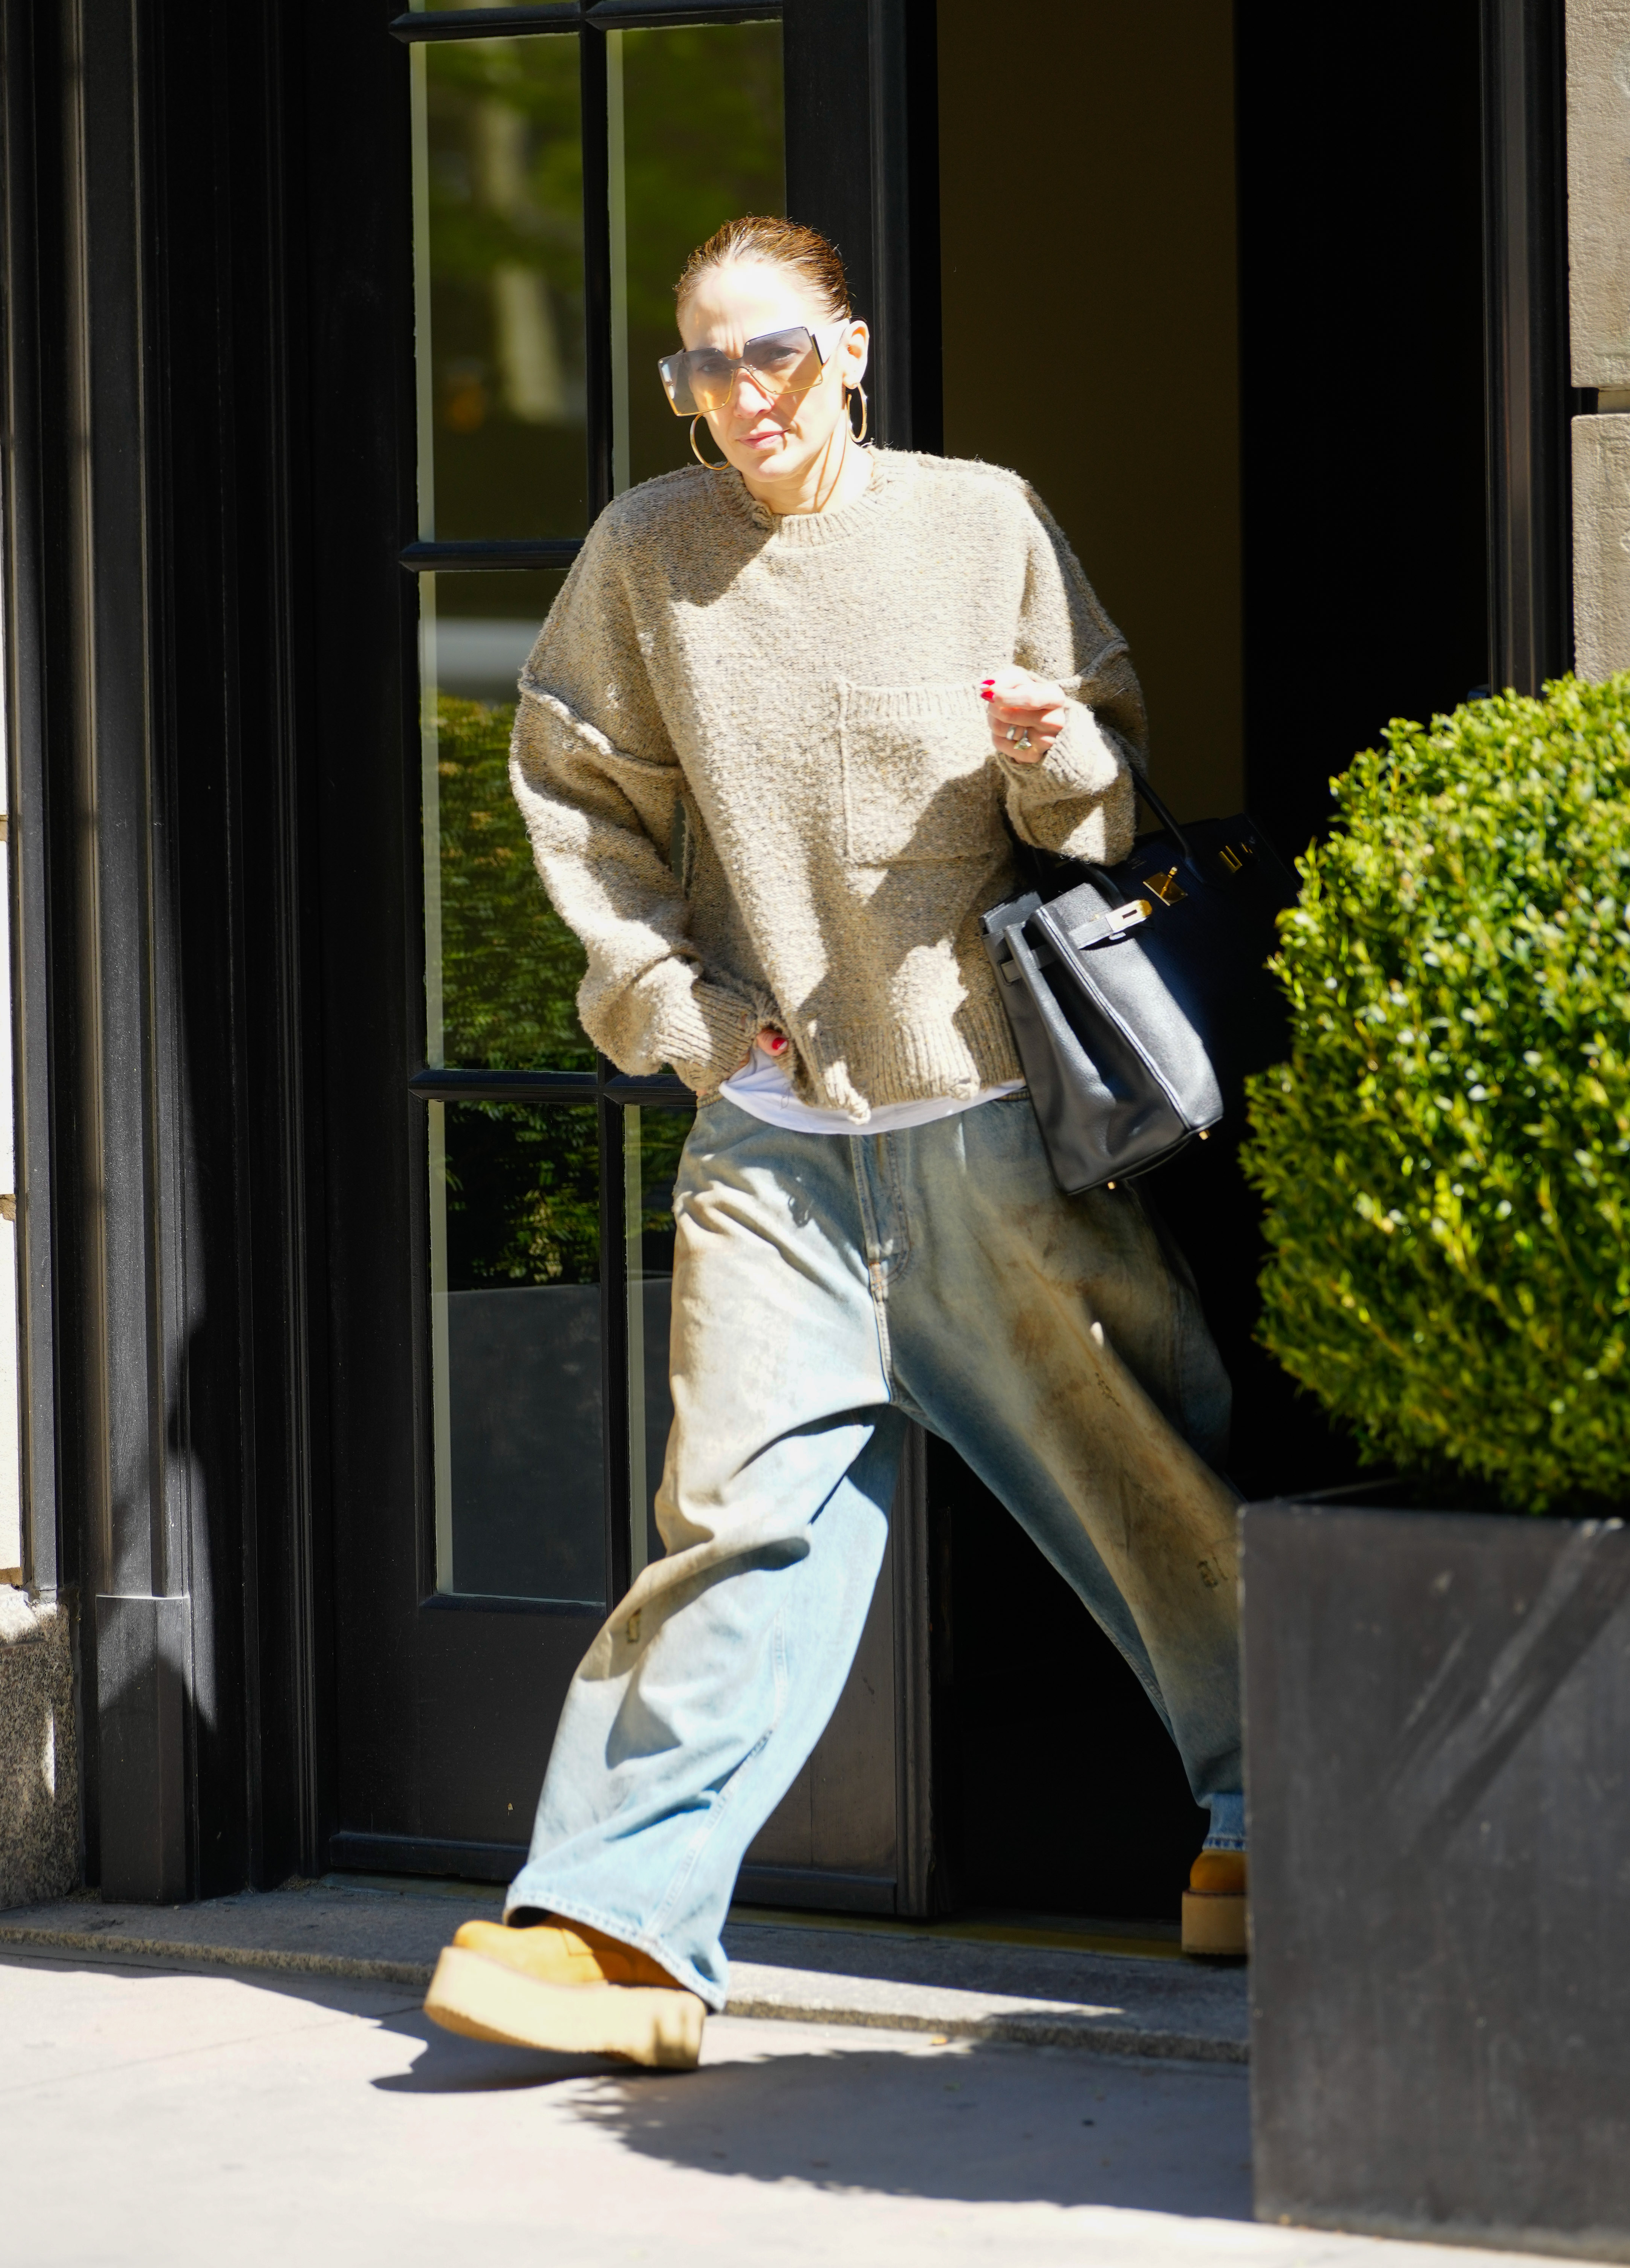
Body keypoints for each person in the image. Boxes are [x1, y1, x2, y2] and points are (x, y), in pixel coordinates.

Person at [423, 216, 1246, 2071]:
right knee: (732, 1530)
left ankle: (1288, 1826)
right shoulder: (646, 554)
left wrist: (1057, 755)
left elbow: (1105, 792)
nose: (741, 396)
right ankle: (618, 1931)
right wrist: (691, 1028)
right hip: (774, 1148)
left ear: (853, 350)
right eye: (703, 366)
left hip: (988, 1130)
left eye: (775, 353)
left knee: (1144, 1486)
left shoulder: (981, 522)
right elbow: (575, 797)